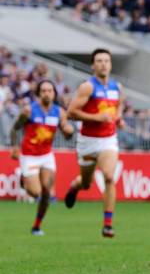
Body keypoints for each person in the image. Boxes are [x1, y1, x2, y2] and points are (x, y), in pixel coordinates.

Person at [64, 48, 125, 238]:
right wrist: (97, 117)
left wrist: (118, 118)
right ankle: (75, 186)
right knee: (86, 183)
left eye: (106, 61)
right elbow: (71, 112)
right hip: (88, 141)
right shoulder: (87, 87)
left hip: (108, 140)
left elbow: (119, 106)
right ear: (92, 65)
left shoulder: (117, 87)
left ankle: (108, 224)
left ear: (111, 64)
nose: (103, 64)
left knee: (109, 176)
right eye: (99, 61)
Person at [10, 80, 74, 235]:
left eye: (50, 90)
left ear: (54, 93)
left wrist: (68, 131)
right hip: (29, 156)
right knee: (36, 193)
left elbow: (66, 133)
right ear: (38, 94)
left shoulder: (59, 112)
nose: (46, 93)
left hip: (46, 156)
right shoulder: (28, 111)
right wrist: (15, 147)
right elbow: (15, 129)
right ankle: (25, 182)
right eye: (43, 90)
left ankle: (37, 226)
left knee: (47, 193)